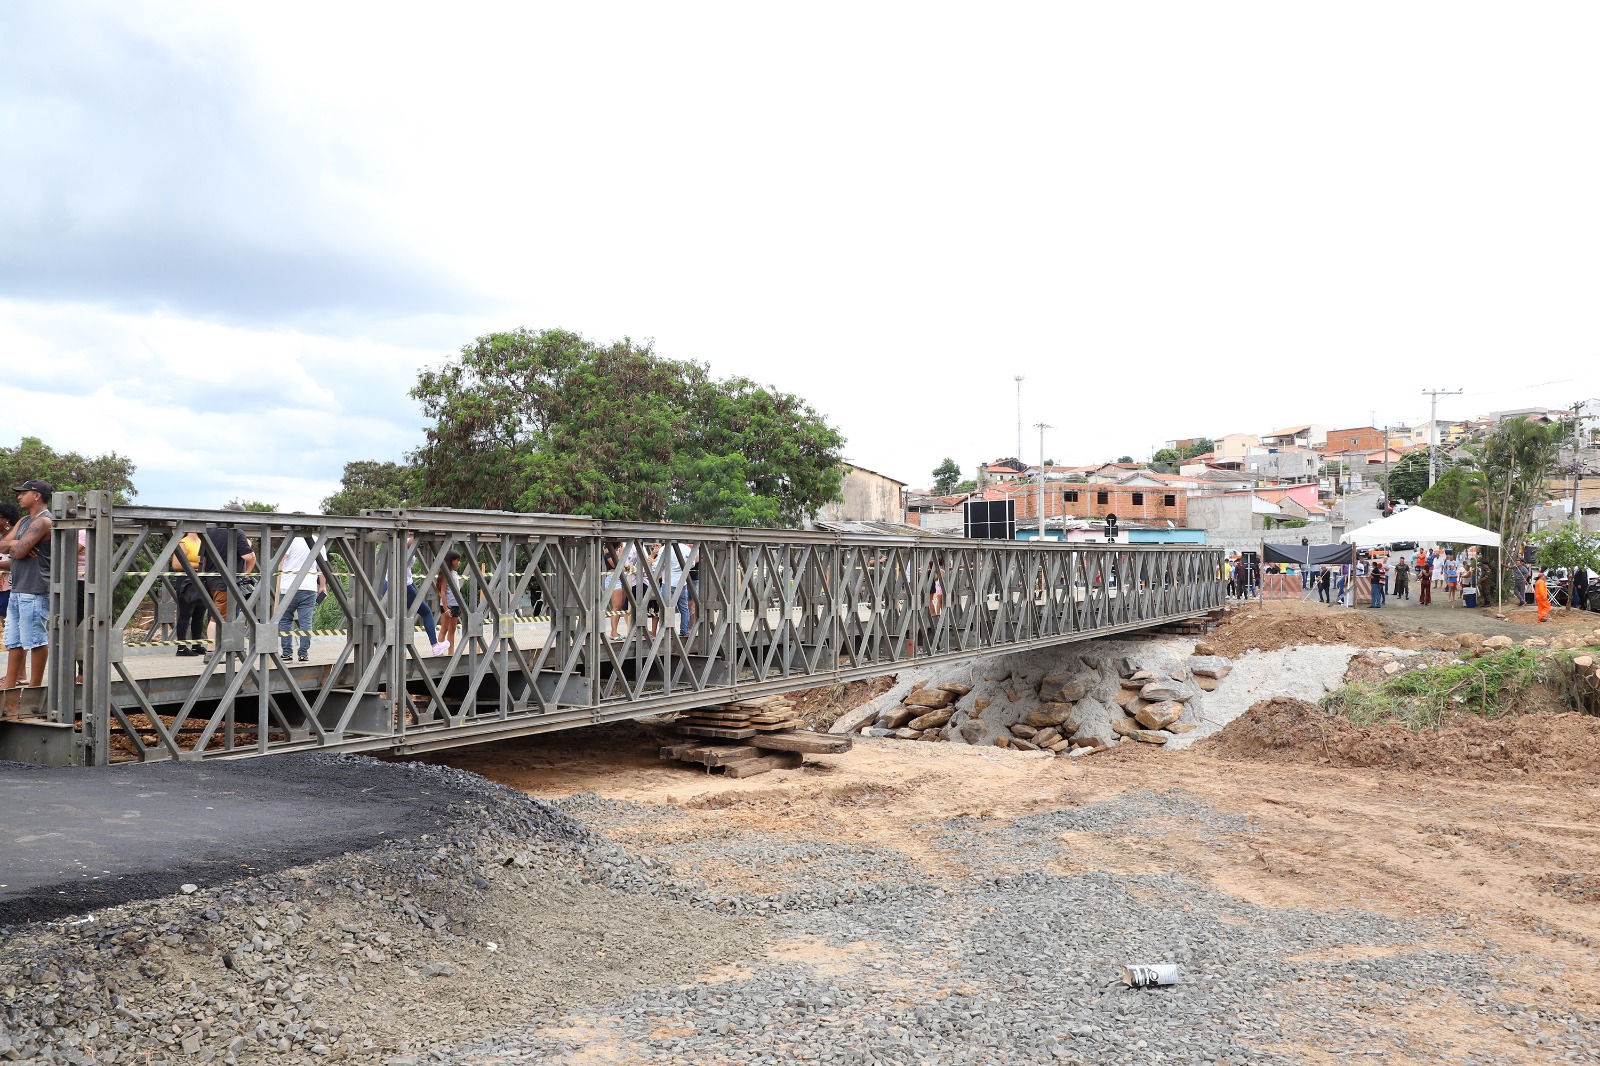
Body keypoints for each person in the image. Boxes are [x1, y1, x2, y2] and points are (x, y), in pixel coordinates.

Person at [0, 480, 53, 690]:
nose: (19, 497)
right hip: (19, 587)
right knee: (14, 639)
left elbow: (18, 553)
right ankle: (10, 686)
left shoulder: (44, 522)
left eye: (23, 493)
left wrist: (17, 547)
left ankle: (34, 688)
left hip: (35, 588)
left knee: (36, 639)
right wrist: (16, 544)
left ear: (37, 495)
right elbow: (6, 546)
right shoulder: (23, 521)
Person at [201, 522, 257, 655]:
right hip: (226, 582)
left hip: (210, 580)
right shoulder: (237, 531)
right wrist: (248, 547)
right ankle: (212, 651)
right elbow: (248, 556)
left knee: (218, 614)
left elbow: (202, 557)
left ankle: (228, 646)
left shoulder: (209, 531)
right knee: (218, 617)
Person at [277, 534, 327, 663]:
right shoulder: (318, 541)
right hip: (309, 587)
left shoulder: (290, 540)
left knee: (285, 620)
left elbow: (281, 559)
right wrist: (322, 586)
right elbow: (321, 567)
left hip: (287, 587)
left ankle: (287, 654)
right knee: (306, 622)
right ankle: (303, 654)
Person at [169, 529, 209, 655]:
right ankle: (181, 647)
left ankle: (197, 645)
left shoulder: (204, 541)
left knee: (199, 614)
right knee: (185, 614)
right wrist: (199, 565)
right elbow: (176, 565)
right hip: (186, 582)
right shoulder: (183, 542)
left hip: (201, 580)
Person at [436, 551, 463, 654]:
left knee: (452, 630)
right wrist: (446, 608)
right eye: (458, 560)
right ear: (452, 561)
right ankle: (439, 653)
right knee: (444, 629)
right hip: (448, 605)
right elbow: (442, 592)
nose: (459, 563)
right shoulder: (446, 574)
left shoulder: (454, 573)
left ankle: (451, 653)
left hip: (455, 604)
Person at [0, 503, 20, 627]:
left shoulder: (20, 537)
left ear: (7, 519)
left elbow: (18, 563)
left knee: (9, 620)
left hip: (12, 586)